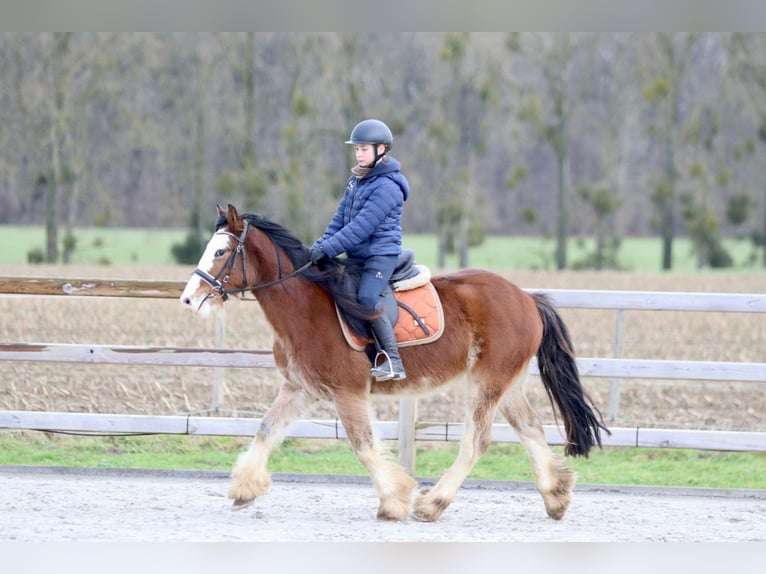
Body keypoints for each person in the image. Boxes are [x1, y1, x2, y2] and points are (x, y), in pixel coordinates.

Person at [310, 119, 410, 382]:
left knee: (367, 299)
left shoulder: (388, 186)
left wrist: (329, 249)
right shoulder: (356, 181)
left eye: (364, 149)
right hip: (356, 255)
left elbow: (361, 227)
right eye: (357, 149)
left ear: (382, 149)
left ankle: (393, 362)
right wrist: (320, 246)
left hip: (380, 255)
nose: (359, 154)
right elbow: (339, 220)